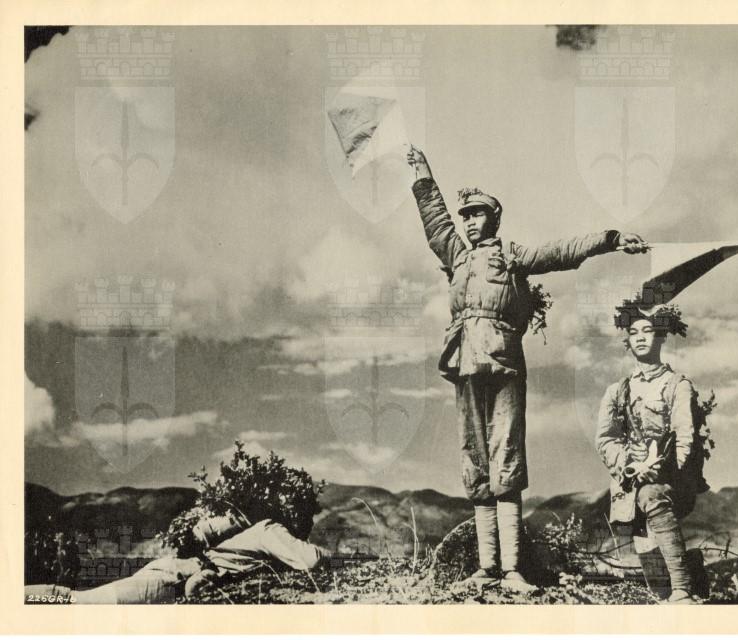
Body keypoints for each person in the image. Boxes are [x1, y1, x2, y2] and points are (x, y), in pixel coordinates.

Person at [406, 146, 647, 591]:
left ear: (494, 219)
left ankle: (513, 570)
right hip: (463, 362)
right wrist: (423, 175)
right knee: (474, 460)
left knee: (507, 457)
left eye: (478, 214)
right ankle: (486, 568)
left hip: (503, 364)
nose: (469, 222)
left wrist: (610, 239)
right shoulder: (457, 257)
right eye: (466, 216)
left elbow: (559, 252)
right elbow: (435, 222)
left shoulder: (513, 256)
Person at [595, 299, 712, 603]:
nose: (641, 337)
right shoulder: (617, 391)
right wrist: (627, 464)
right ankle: (691, 569)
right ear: (627, 342)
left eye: (648, 331)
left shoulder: (677, 385)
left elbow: (685, 436)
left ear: (660, 337)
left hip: (673, 479)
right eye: (634, 333)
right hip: (631, 481)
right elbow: (605, 439)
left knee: (651, 495)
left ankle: (683, 590)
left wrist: (661, 469)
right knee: (658, 590)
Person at [24, 516, 330, 604]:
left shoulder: (244, 530)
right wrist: (334, 556)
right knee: (74, 601)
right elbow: (311, 560)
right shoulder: (268, 528)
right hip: (172, 579)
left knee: (73, 600)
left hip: (169, 571)